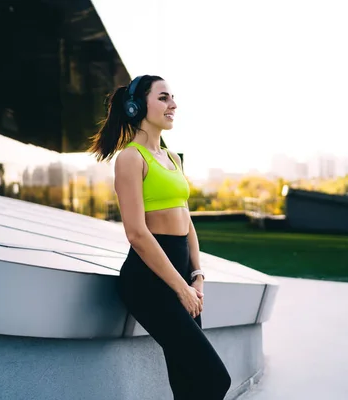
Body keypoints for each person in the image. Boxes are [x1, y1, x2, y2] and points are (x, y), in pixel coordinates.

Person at [88, 75, 232, 400]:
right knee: (214, 380)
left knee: (189, 383)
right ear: (137, 105)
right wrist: (180, 288)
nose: (173, 105)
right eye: (164, 97)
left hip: (181, 277)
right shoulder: (131, 158)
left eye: (172, 98)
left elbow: (187, 219)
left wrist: (197, 276)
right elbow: (137, 233)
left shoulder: (173, 158)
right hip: (148, 281)